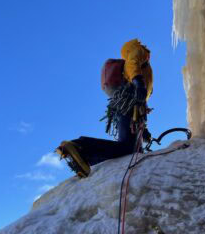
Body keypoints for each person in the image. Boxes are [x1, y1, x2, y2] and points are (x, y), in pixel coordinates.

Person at [55, 39, 153, 178]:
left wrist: (145, 131)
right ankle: (80, 147)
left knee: (133, 150)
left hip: (128, 108)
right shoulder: (137, 50)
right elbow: (132, 64)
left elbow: (142, 99)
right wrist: (138, 82)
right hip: (128, 105)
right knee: (128, 148)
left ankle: (84, 157)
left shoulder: (141, 62)